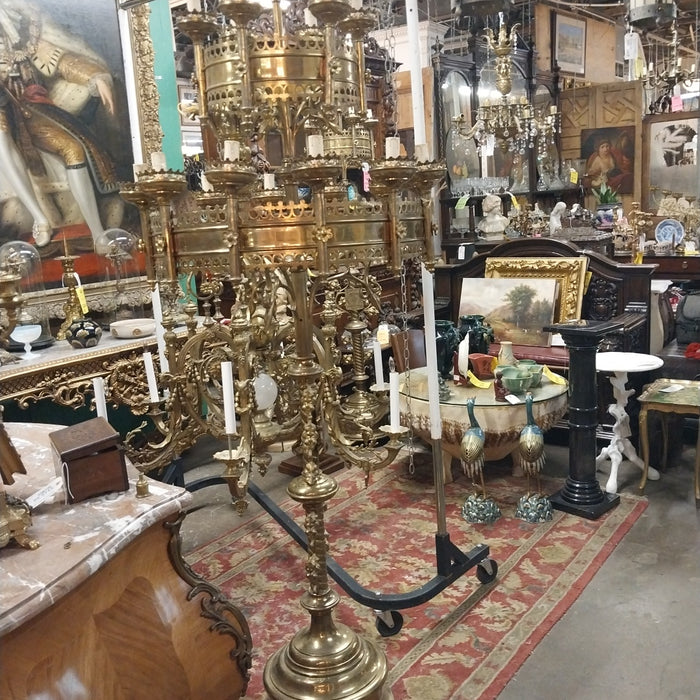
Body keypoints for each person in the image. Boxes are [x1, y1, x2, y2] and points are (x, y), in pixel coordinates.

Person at [0, 2, 117, 249]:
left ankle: (98, 234)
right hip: (3, 110)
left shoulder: (23, 28)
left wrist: (96, 78)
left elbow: (60, 57)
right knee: (1, 141)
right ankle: (40, 219)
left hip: (29, 108)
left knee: (73, 148)